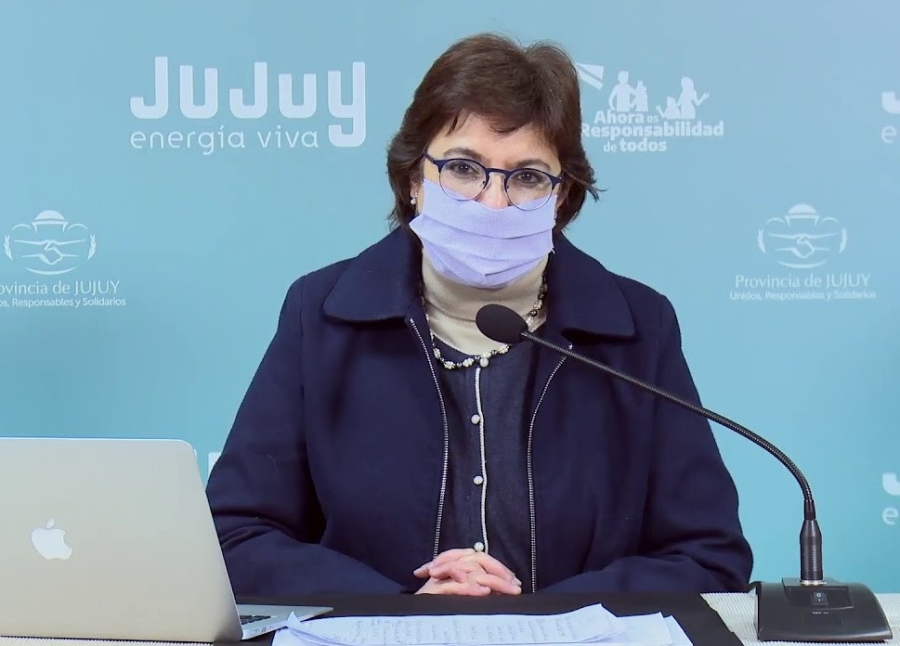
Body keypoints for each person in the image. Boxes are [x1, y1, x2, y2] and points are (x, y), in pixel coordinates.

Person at [205, 32, 753, 597]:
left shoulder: (637, 327)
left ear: (562, 197)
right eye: (464, 168)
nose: (493, 202)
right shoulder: (321, 314)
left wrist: (545, 619)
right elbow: (235, 537)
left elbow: (707, 556)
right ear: (414, 179)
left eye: (528, 177)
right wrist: (399, 610)